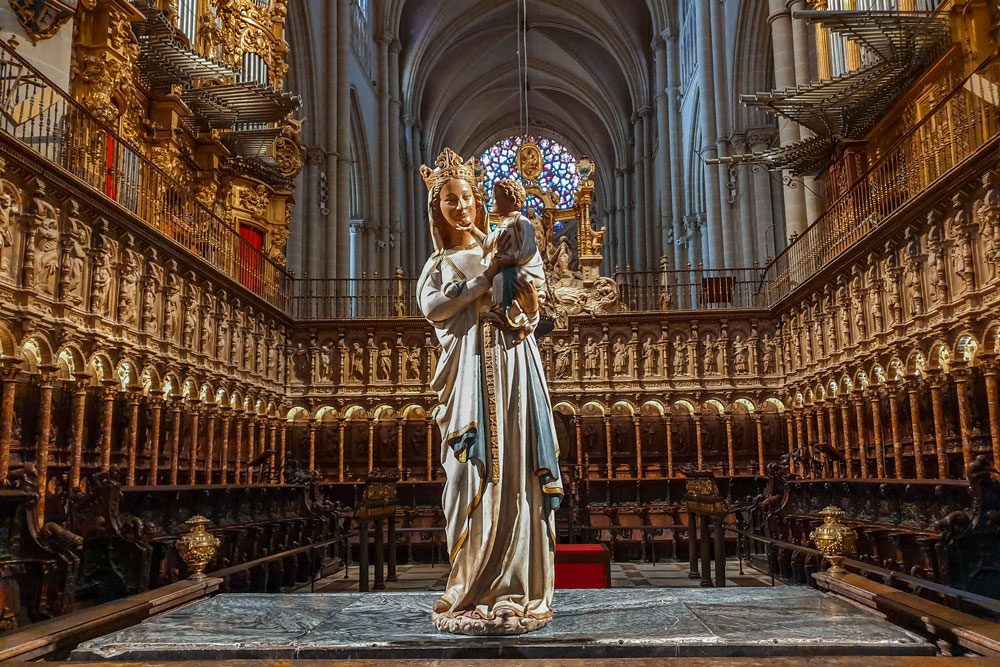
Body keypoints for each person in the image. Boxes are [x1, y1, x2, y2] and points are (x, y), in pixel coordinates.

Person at [417, 148, 563, 636]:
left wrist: (519, 300)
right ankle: (468, 588)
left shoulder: (507, 239)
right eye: (450, 200)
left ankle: (513, 591)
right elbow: (435, 306)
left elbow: (536, 301)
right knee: (465, 477)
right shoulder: (438, 263)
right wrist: (485, 277)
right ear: (438, 209)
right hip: (467, 376)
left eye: (467, 197)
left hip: (514, 365)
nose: (460, 206)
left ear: (479, 200)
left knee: (518, 472)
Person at [460, 179, 545, 341]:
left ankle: (520, 323)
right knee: (499, 280)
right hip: (510, 270)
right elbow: (487, 243)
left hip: (527, 270)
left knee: (502, 281)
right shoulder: (501, 225)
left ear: (511, 201)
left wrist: (511, 259)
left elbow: (530, 249)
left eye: (495, 197)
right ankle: (510, 318)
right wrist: (471, 229)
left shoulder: (521, 222)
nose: (492, 201)